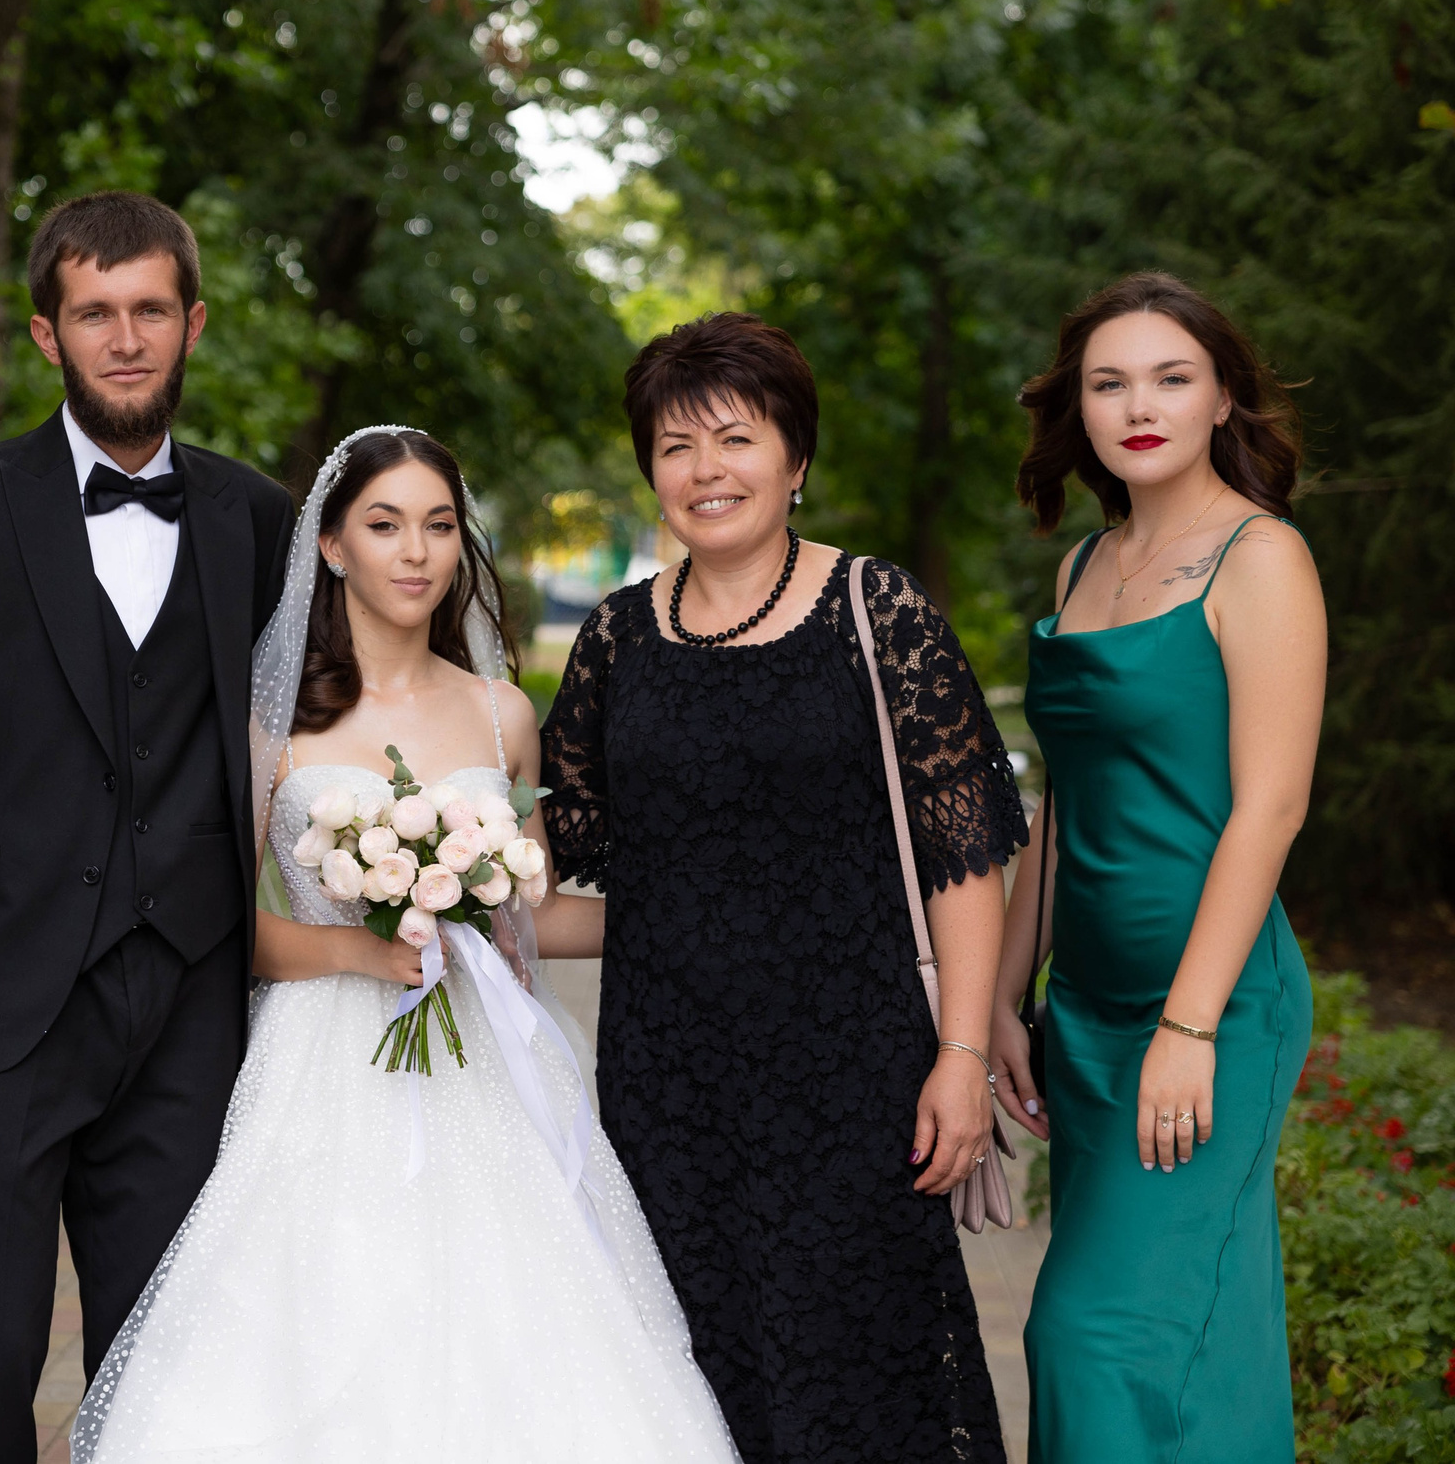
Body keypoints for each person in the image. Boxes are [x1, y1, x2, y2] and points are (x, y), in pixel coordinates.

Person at [71, 427, 739, 1464]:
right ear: (332, 545)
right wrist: (362, 953)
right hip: (324, 1062)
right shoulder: (267, 725)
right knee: (325, 1325)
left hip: (489, 1062)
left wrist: (685, 916)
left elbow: (534, 917)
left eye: (437, 526)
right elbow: (219, 930)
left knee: (520, 1333)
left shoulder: (501, 711)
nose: (416, 552)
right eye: (384, 526)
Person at [0, 191, 296, 1463]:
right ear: (48, 335)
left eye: (149, 310)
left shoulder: (256, 520)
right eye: (94, 313)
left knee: (164, 1359)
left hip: (188, 1001)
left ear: (192, 324)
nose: (124, 338)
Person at [537, 312, 1027, 1464]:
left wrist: (959, 1058)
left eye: (735, 439)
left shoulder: (878, 613)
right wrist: (425, 890)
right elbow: (567, 858)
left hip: (854, 1081)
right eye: (674, 447)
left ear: (794, 459)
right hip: (667, 1087)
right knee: (694, 1376)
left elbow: (963, 859)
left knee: (865, 1366)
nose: (705, 472)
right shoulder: (613, 639)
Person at [994, 273, 1319, 1462]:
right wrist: (1002, 998)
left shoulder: (1260, 558)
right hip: (1083, 1011)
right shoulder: (1085, 567)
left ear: (1221, 395)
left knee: (1092, 1334)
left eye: (1171, 377)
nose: (1140, 405)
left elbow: (1269, 810)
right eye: (1108, 382)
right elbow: (1065, 808)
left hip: (1213, 1008)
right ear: (1075, 408)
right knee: (1193, 1334)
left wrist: (1186, 1027)